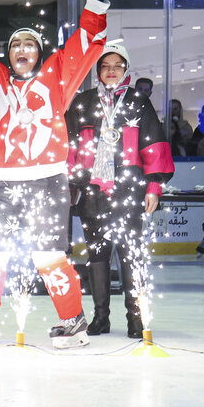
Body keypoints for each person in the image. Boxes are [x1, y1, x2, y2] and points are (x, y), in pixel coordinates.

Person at [0, 0, 114, 348]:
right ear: (8, 55)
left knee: (47, 255)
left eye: (29, 45)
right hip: (0, 182)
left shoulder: (57, 75)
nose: (22, 50)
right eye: (15, 46)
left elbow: (86, 41)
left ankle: (72, 320)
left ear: (39, 53)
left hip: (46, 180)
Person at [66, 41, 174, 338]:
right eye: (105, 66)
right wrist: (71, 183)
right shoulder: (84, 101)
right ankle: (101, 318)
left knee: (131, 257)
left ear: (126, 69)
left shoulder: (138, 101)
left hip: (129, 191)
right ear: (98, 70)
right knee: (97, 256)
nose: (111, 71)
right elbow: (70, 146)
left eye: (117, 66)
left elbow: (154, 146)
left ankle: (135, 319)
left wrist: (153, 186)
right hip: (93, 192)